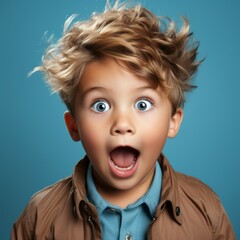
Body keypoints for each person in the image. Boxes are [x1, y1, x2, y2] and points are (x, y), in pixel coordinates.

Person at [11, 1, 236, 239]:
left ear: (173, 120)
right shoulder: (40, 217)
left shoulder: (206, 211)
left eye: (142, 104)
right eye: (101, 106)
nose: (122, 124)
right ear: (74, 125)